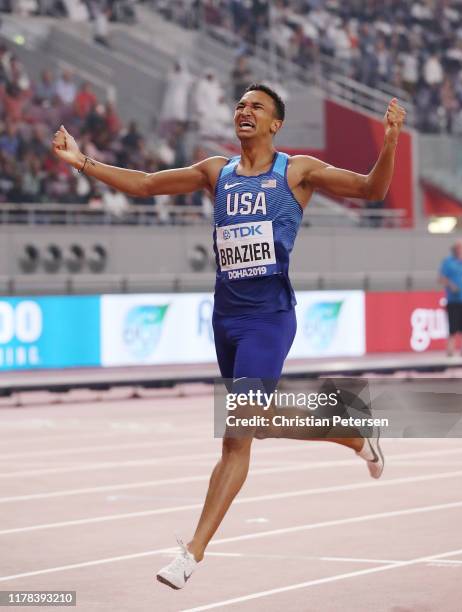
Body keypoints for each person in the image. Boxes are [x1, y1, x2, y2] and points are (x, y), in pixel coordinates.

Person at [52, 83, 406, 589]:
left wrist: (389, 141)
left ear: (274, 124)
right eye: (240, 105)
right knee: (241, 435)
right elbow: (147, 184)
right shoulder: (215, 172)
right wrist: (82, 162)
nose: (244, 111)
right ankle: (352, 432)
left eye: (256, 107)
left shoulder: (297, 171)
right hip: (227, 321)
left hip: (269, 318)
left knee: (242, 420)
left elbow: (373, 190)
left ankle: (191, 554)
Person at [439, 238, 462, 356]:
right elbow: (441, 278)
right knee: (453, 327)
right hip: (453, 300)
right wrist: (451, 285)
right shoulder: (448, 262)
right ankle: (450, 351)